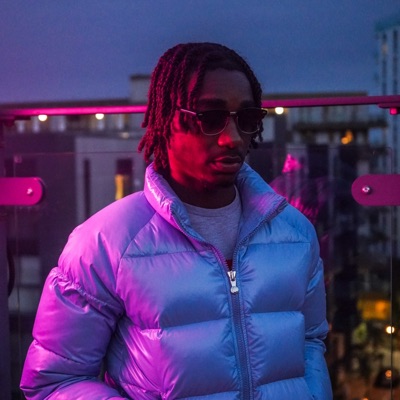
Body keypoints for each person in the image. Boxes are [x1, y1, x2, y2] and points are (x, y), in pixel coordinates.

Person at [21, 42, 332, 399]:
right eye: (210, 118)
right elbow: (56, 381)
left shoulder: (295, 233)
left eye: (247, 119)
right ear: (167, 119)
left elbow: (310, 342)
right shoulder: (104, 243)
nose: (233, 138)